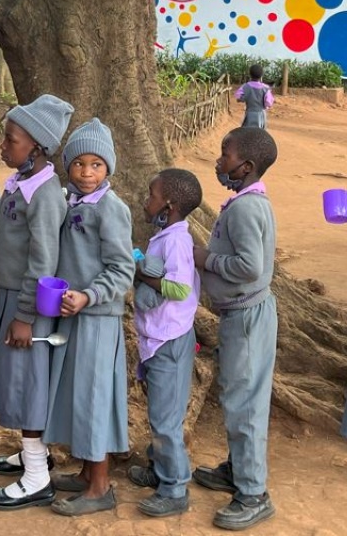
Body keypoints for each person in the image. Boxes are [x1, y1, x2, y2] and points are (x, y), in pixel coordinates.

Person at [0, 94, 74, 511]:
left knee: (26, 385)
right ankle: (30, 452)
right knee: (15, 381)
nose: (3, 146)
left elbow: (42, 261)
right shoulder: (21, 182)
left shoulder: (46, 192)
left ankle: (37, 476)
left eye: (11, 140)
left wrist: (23, 316)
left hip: (28, 308)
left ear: (36, 147)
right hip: (11, 300)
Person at [43, 118, 134, 516]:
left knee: (94, 398)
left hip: (96, 320)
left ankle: (100, 487)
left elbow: (121, 269)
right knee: (77, 396)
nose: (87, 173)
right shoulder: (68, 201)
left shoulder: (112, 210)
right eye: (79, 164)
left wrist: (89, 295)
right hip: (73, 315)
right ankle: (85, 473)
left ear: (108, 169)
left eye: (97, 165)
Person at [192, 127, 278, 531]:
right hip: (243, 316)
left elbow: (250, 267)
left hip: (246, 318)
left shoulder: (245, 209)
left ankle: (253, 494)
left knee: (244, 403)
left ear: (245, 167)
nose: (219, 160)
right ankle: (237, 469)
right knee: (238, 397)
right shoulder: (246, 201)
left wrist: (205, 259)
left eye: (225, 155)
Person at [127, 168, 202, 519]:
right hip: (159, 339)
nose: (147, 200)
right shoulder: (165, 234)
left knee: (165, 419)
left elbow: (179, 288)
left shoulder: (175, 241)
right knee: (160, 412)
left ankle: (174, 487)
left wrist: (143, 275)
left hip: (169, 341)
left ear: (168, 205)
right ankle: (159, 469)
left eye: (152, 195)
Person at [235, 64, 274, 129]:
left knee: (246, 131)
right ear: (261, 76)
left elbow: (238, 96)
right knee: (262, 133)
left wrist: (242, 99)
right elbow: (268, 102)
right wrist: (265, 106)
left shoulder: (245, 86)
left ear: (250, 75)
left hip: (249, 114)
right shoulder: (266, 88)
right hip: (261, 115)